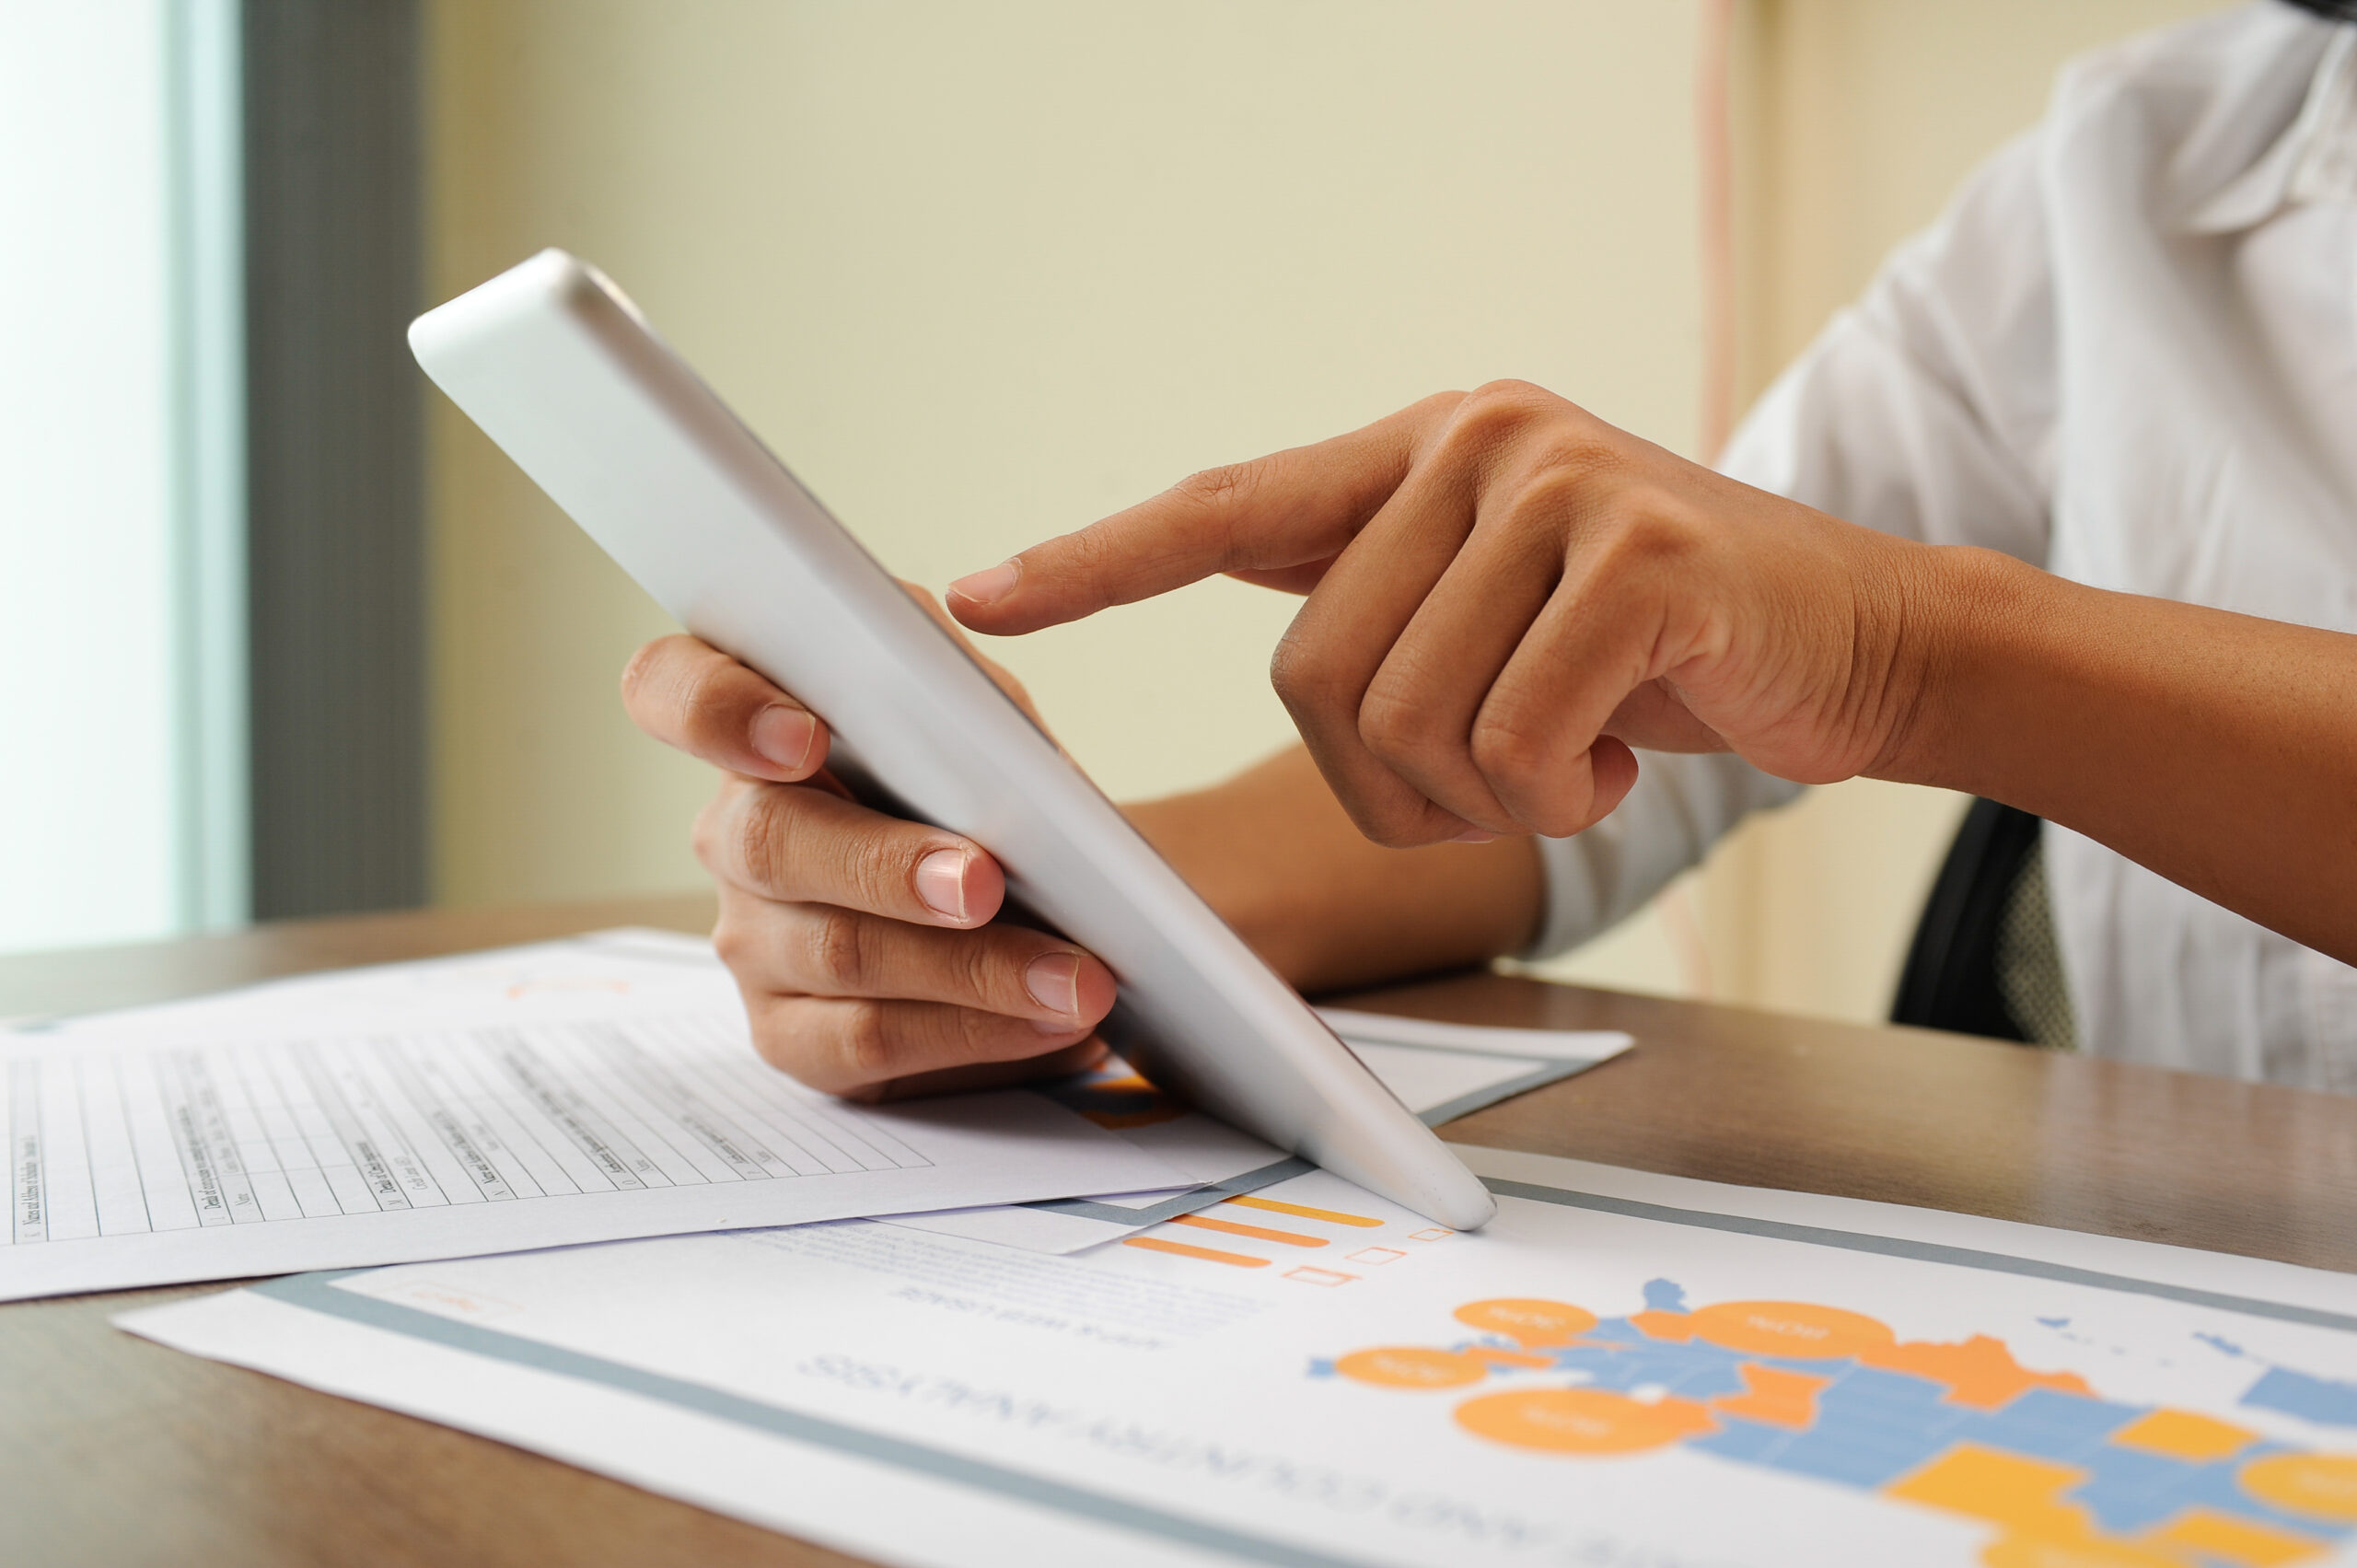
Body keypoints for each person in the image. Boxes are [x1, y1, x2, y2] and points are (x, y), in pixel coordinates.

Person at [621, 1, 2357, 1101]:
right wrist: (1017, 906)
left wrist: (1909, 659)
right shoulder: (2138, 163)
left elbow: (1854, 640)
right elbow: (1622, 737)